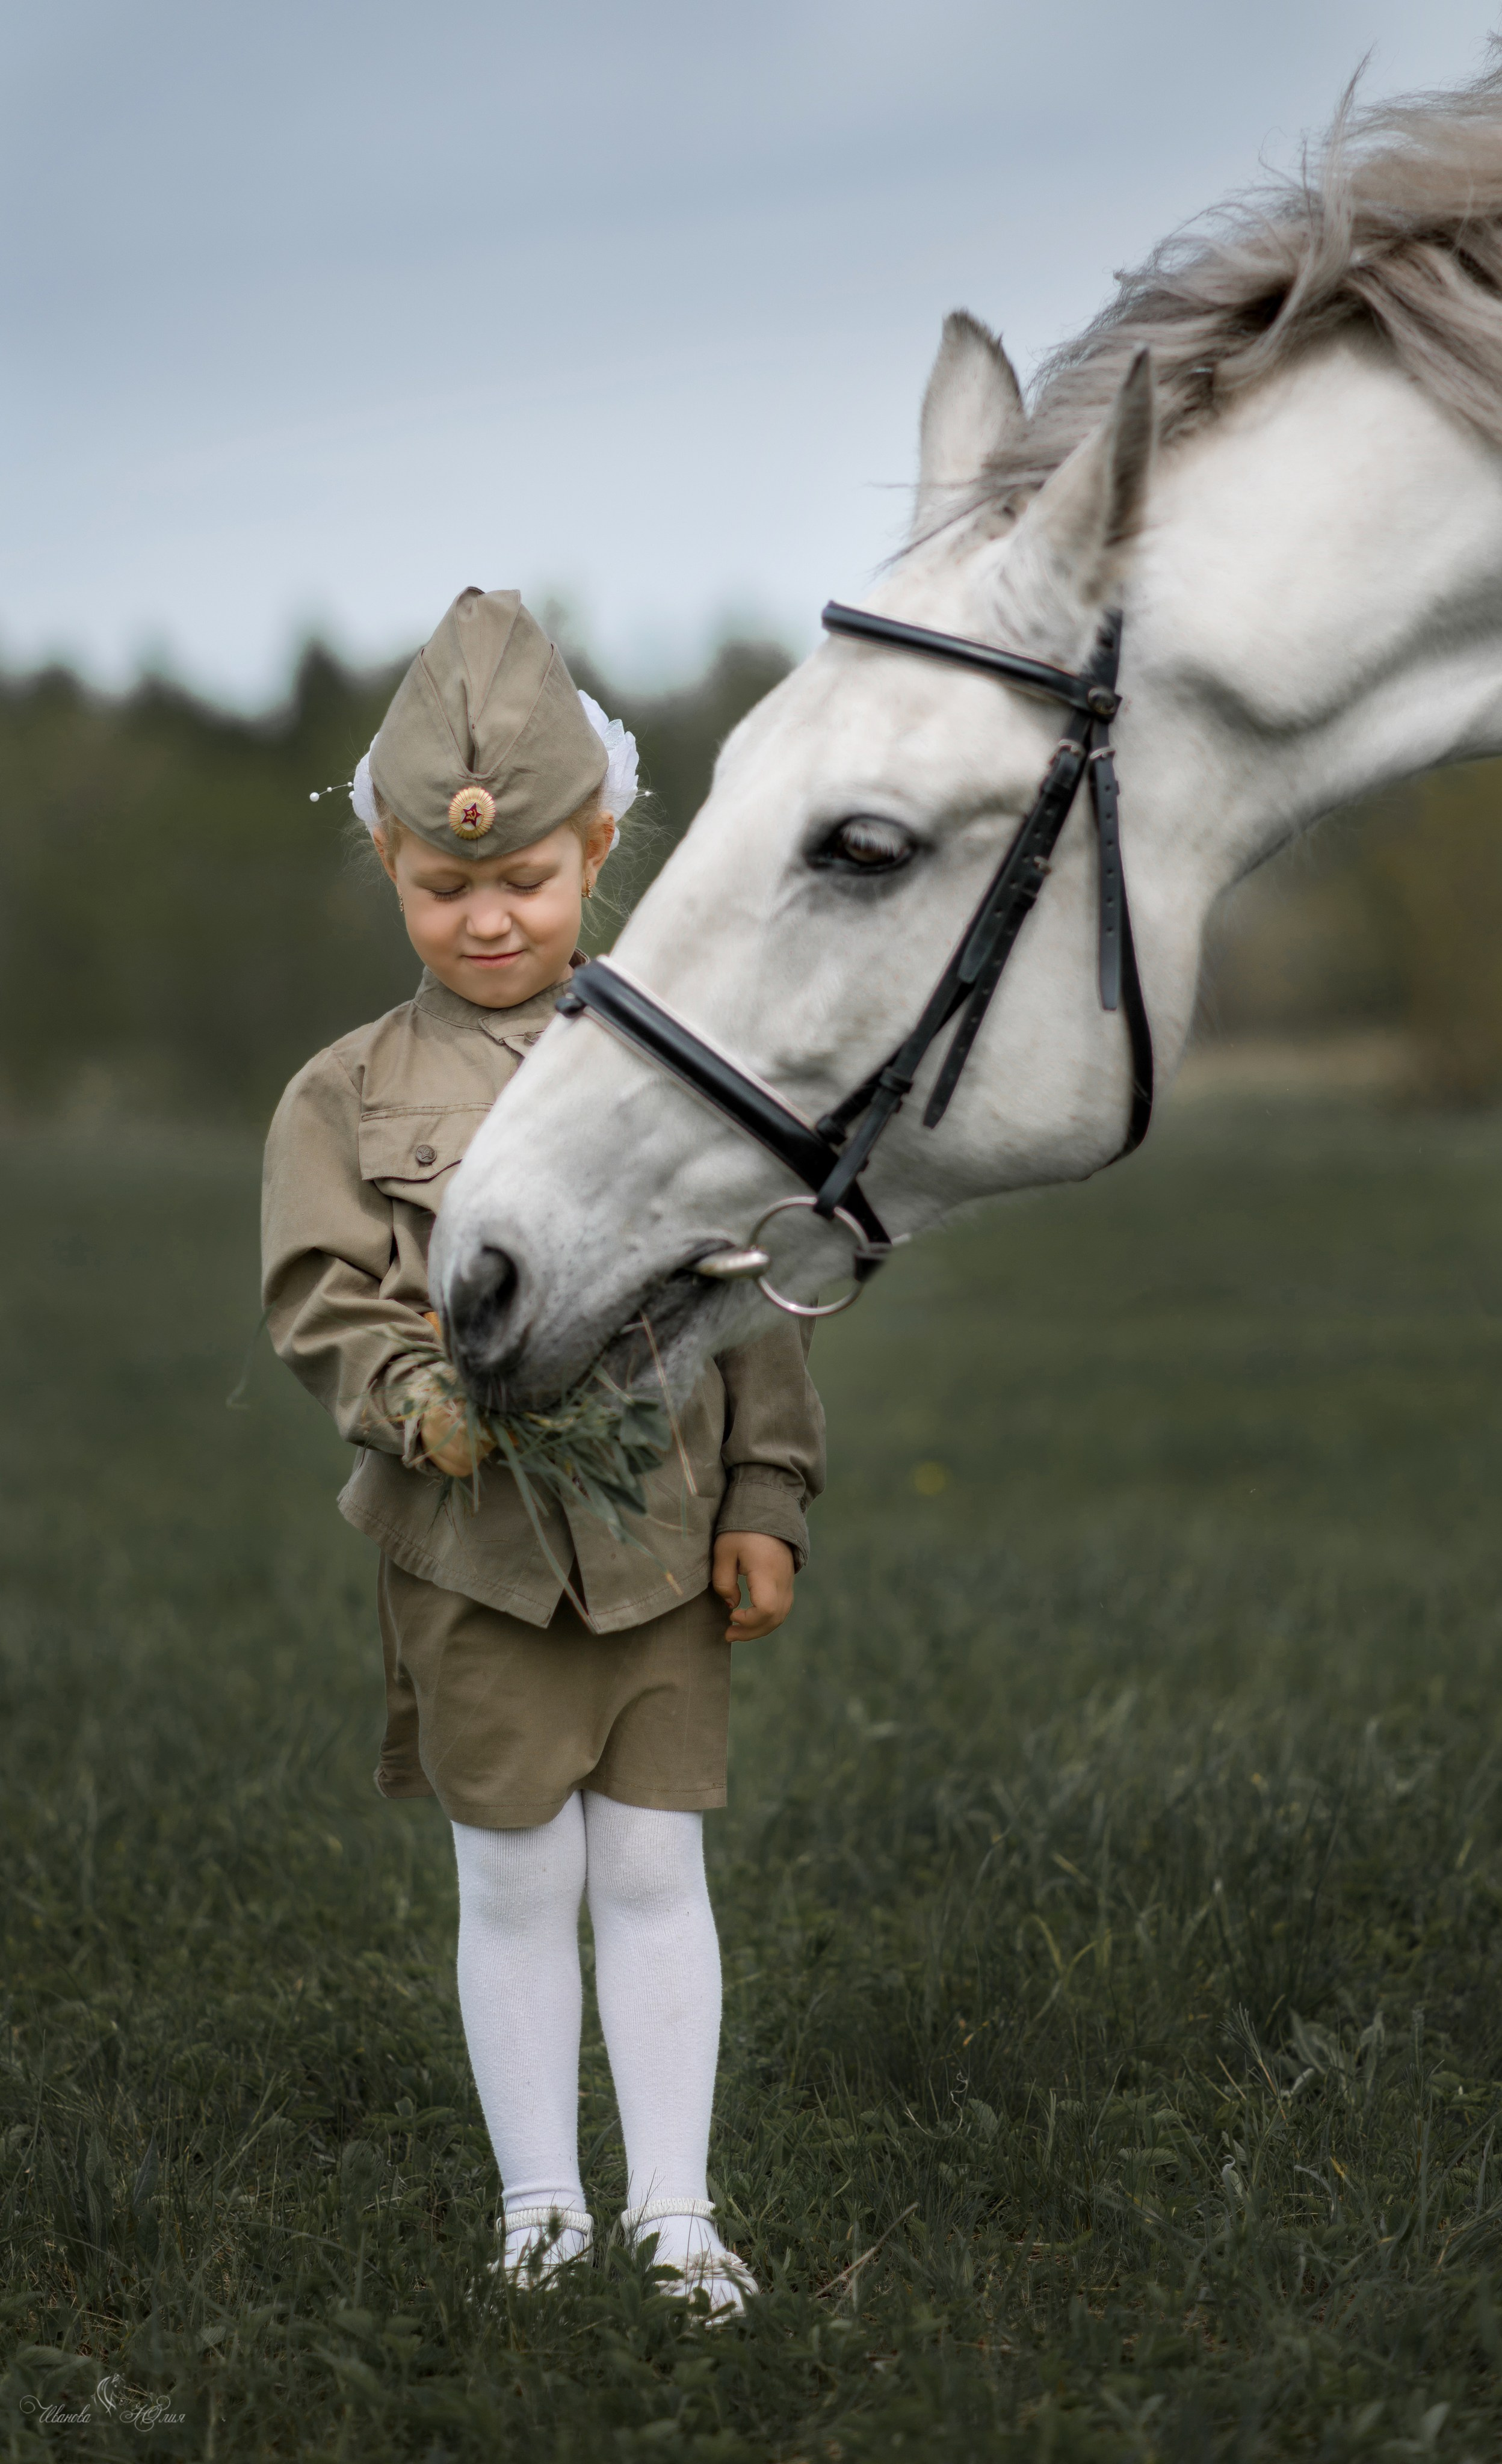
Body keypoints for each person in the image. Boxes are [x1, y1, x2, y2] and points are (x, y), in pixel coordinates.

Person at [262, 588, 824, 2317]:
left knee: (655, 1866)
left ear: (599, 845)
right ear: (387, 861)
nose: (489, 916)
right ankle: (541, 2213)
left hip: (660, 1539)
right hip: (475, 1556)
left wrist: (766, 1496)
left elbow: (766, 1290)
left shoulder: (674, 1077)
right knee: (512, 1877)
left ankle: (673, 2213)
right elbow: (320, 1296)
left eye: (525, 879)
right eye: (446, 885)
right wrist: (408, 1392)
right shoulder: (344, 1098)